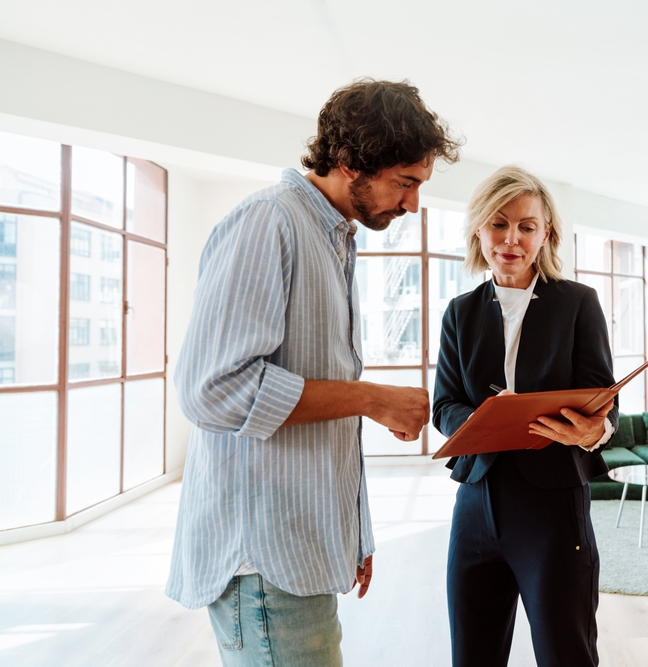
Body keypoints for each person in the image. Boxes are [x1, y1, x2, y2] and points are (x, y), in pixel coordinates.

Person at [166, 79, 461, 666]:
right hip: (263, 561)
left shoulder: (331, 236)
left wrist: (350, 535)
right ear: (350, 164)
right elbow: (212, 391)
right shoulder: (267, 223)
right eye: (405, 183)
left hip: (297, 550)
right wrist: (371, 398)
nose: (412, 205)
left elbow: (318, 415)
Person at [433, 165, 618, 667]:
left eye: (526, 226)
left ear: (545, 234)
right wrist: (482, 423)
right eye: (498, 223)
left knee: (566, 654)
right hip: (476, 505)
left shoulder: (579, 304)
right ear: (479, 229)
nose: (511, 238)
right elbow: (444, 404)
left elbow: (604, 401)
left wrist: (593, 430)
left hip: (553, 507)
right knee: (472, 655)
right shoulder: (458, 312)